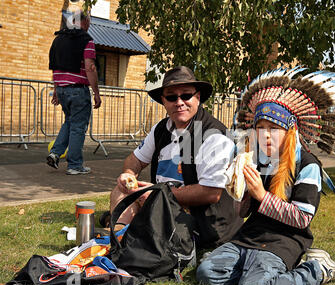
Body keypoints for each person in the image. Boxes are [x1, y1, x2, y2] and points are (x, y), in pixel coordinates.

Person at [196, 68, 335, 285]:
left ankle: (316, 269)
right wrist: (240, 189)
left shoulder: (307, 165)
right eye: (260, 128)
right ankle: (248, 272)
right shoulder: (255, 157)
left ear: (290, 131)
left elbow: (302, 218)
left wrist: (262, 195)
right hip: (249, 236)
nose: (265, 136)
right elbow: (242, 213)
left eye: (274, 129)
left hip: (283, 241)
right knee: (206, 273)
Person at [109, 66, 244, 248]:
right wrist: (128, 173)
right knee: (121, 191)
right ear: (164, 101)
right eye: (172, 97)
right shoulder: (161, 128)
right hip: (165, 205)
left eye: (186, 95)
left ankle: (128, 240)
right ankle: (120, 241)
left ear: (198, 97)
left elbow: (211, 193)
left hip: (202, 222)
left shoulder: (214, 135)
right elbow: (136, 159)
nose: (179, 102)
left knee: (142, 207)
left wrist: (158, 195)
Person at [47, 9, 101, 175]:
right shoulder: (86, 40)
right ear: (82, 22)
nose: (89, 26)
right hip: (78, 90)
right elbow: (90, 67)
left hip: (62, 88)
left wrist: (57, 89)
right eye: (88, 22)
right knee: (78, 127)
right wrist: (96, 93)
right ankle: (75, 165)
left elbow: (55, 67)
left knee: (70, 122)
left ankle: (55, 153)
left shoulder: (57, 40)